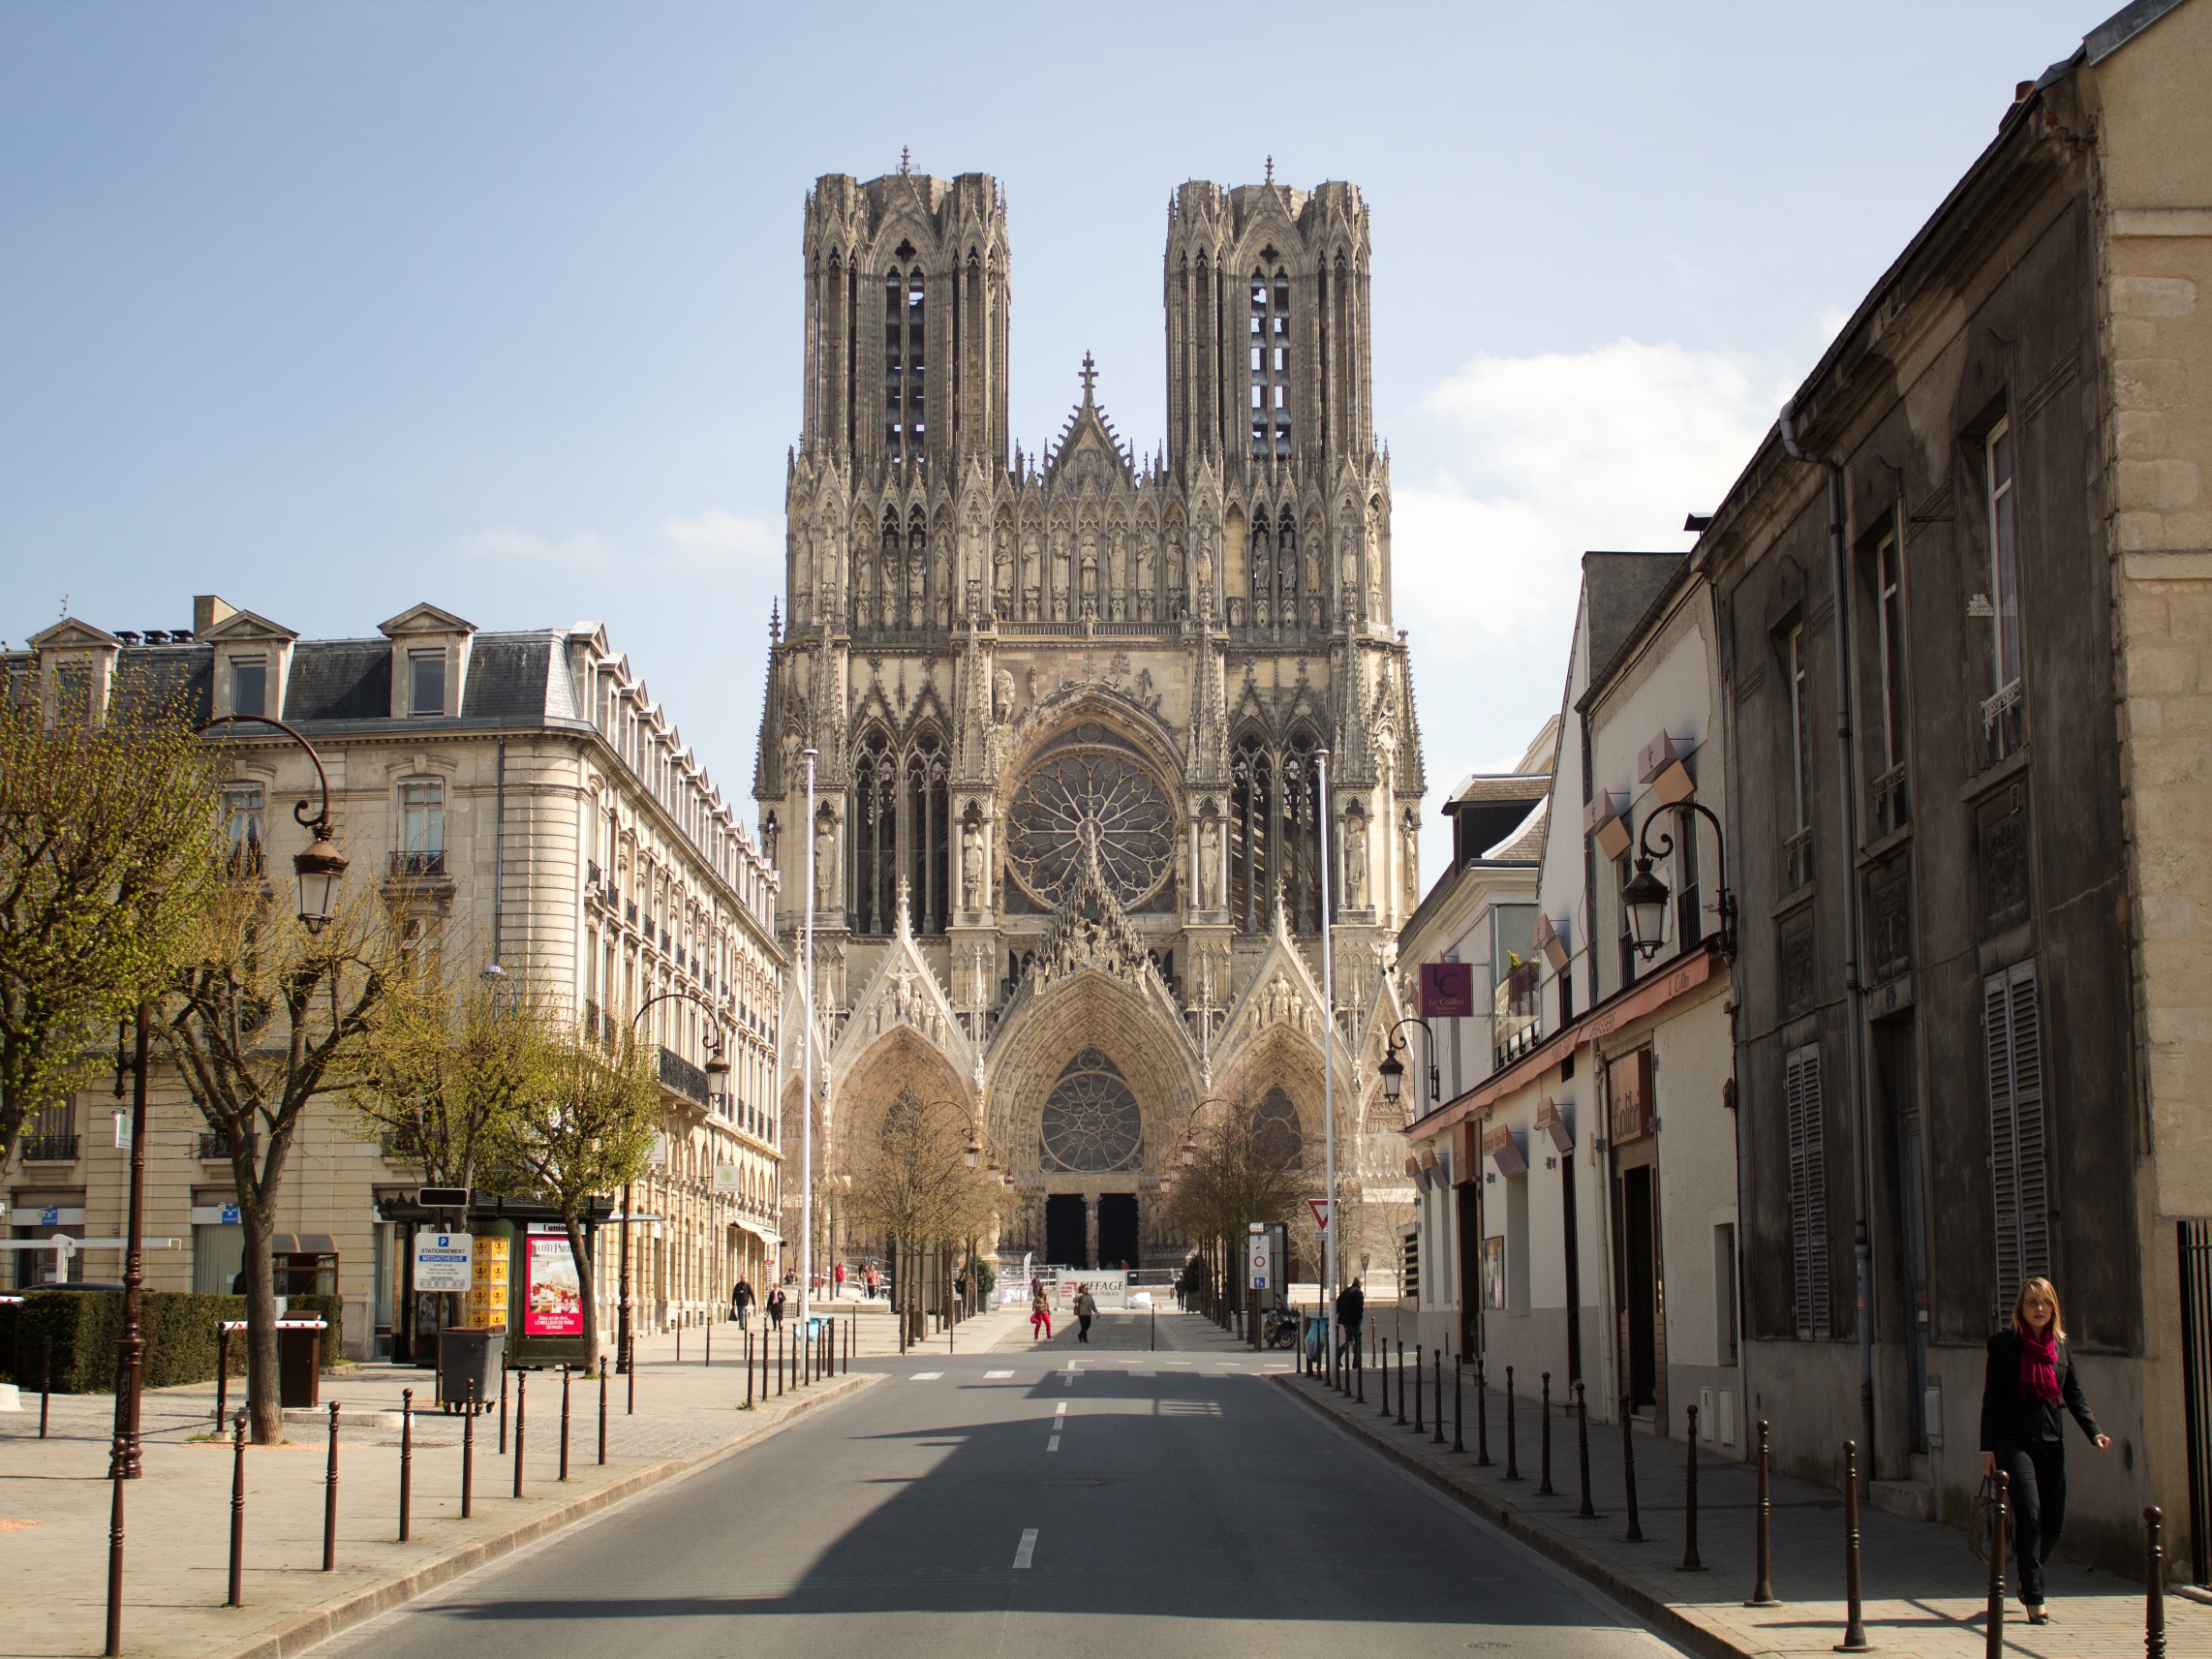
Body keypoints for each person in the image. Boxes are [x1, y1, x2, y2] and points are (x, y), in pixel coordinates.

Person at [1980, 1275, 2110, 1623]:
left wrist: (2094, 1432)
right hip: (2013, 1441)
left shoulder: (2061, 1348)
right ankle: (2035, 1597)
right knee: (2031, 1517)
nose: (2039, 1309)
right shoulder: (2004, 1345)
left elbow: (2074, 1395)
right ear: (2020, 1308)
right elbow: (1990, 1399)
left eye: (2045, 1302)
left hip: (2052, 1442)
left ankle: (2026, 1574)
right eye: (2032, 1302)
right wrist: (1986, 1449)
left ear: (2054, 1308)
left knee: (2054, 1523)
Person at [1335, 1276, 1366, 1367]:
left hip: (1345, 1320)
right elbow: (1359, 1307)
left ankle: (1339, 1353)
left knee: (1350, 1339)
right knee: (1357, 1340)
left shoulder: (1345, 1291)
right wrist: (1359, 1317)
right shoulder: (1358, 1292)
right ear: (1360, 1284)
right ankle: (1356, 1362)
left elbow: (1338, 1305)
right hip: (1354, 1320)